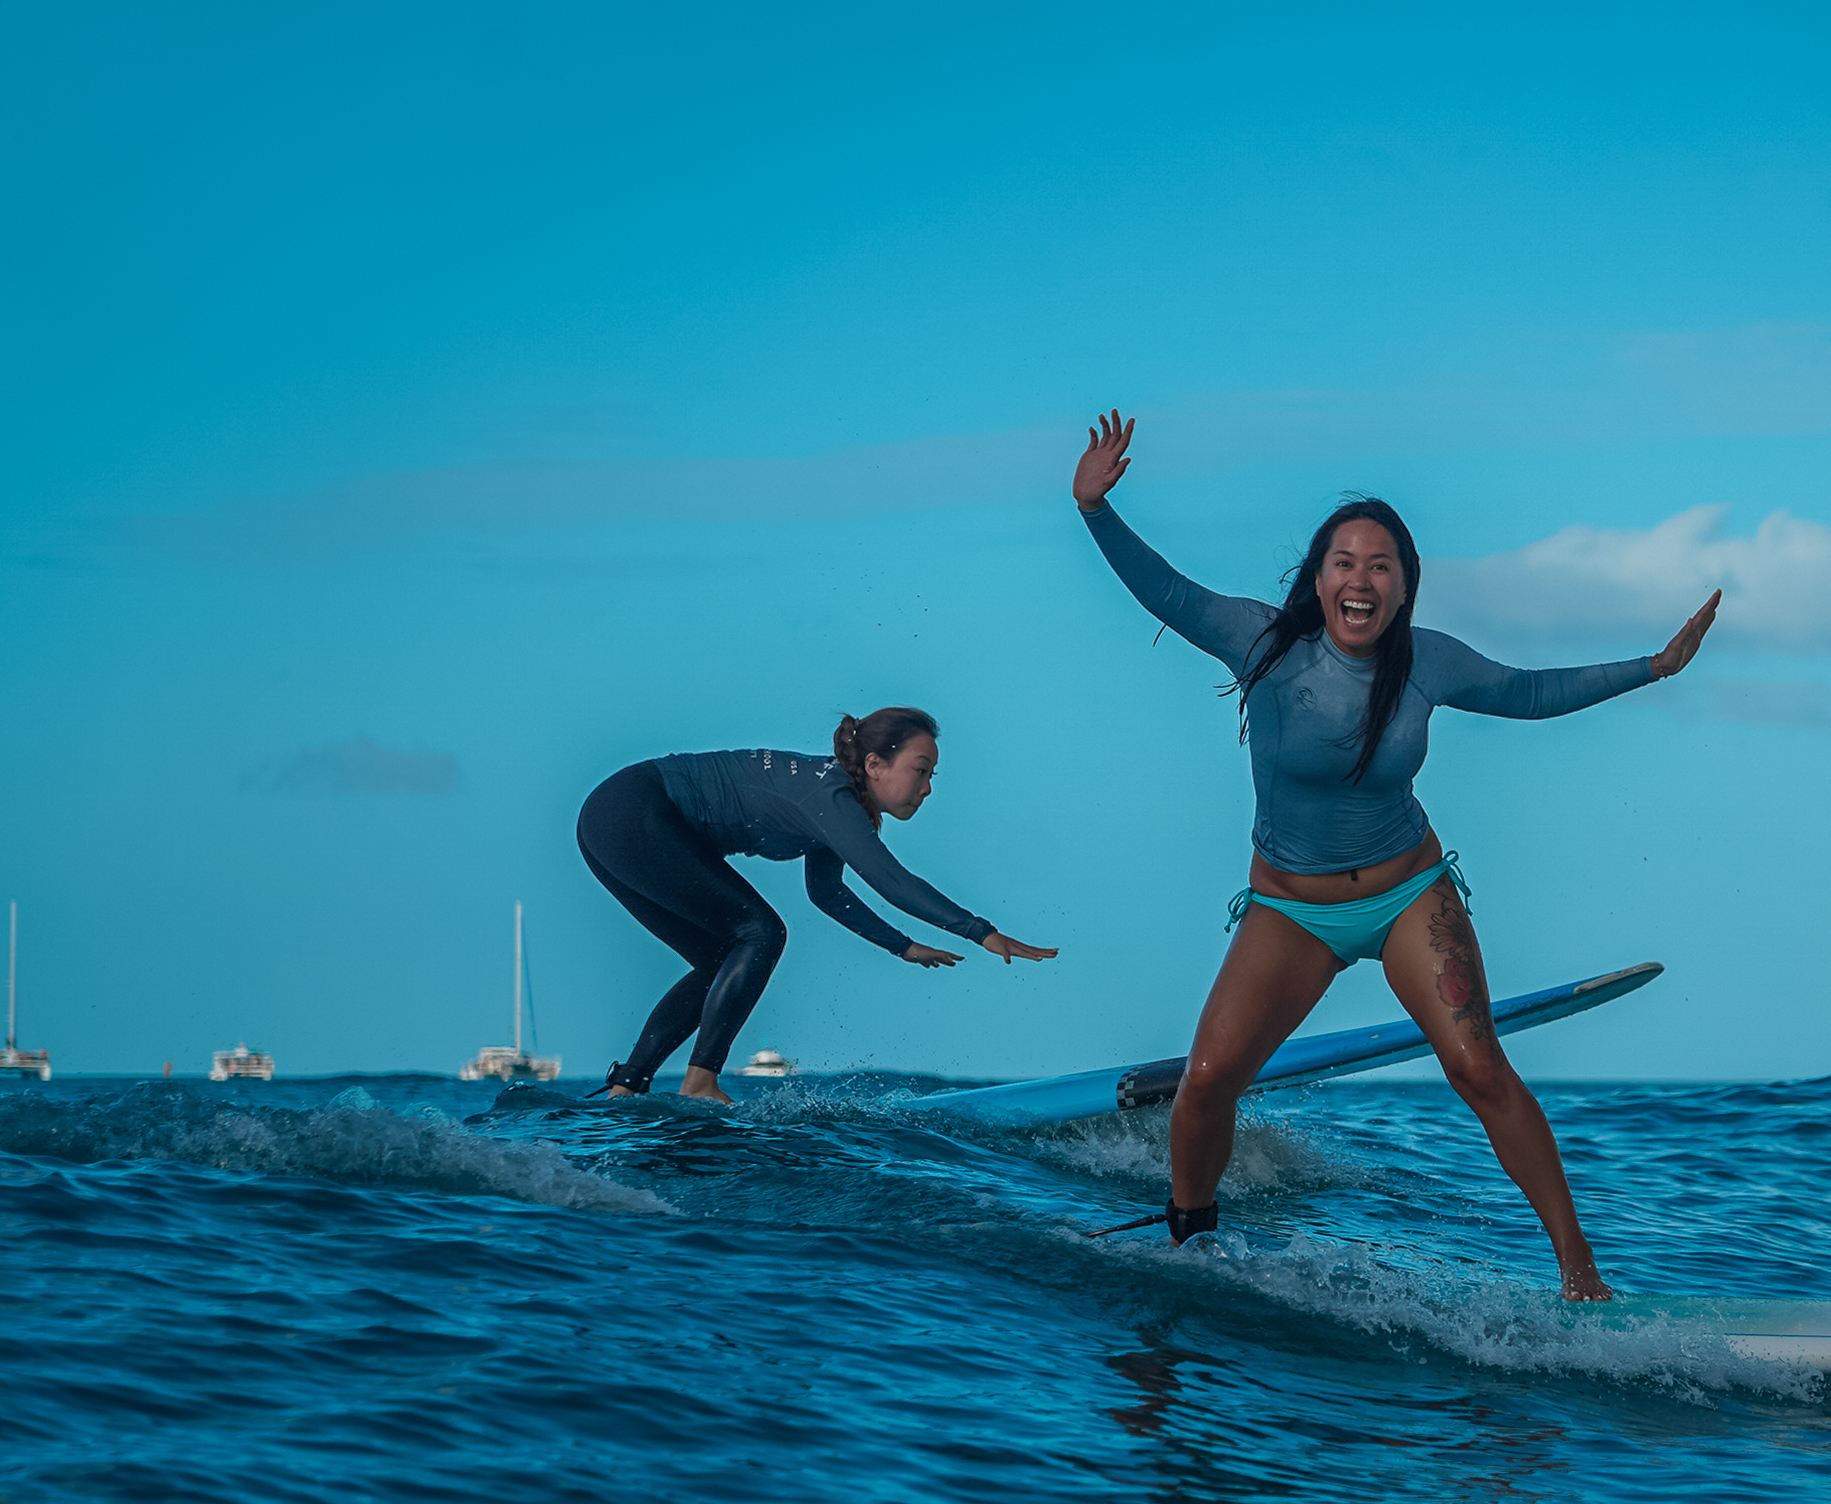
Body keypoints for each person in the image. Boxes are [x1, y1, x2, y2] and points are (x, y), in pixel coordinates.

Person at [1070, 411, 1719, 1299]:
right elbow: (1171, 594)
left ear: (1406, 586)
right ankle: (1190, 1237)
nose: (1362, 580)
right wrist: (1096, 511)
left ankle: (1581, 1274)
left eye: (1382, 566)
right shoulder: (1264, 644)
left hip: (1410, 893)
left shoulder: (1428, 664)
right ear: (1320, 576)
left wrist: (1654, 667)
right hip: (1289, 911)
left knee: (1477, 1067)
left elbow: (1528, 694)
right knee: (1209, 1079)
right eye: (1345, 563)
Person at [576, 709, 1055, 1104]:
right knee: (760, 933)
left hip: (612, 817)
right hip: (634, 811)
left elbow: (826, 893)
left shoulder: (832, 799)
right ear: (874, 765)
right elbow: (892, 880)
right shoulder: (831, 798)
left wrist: (902, 946)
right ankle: (700, 1082)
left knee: (723, 954)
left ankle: (626, 1086)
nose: (927, 787)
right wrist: (981, 931)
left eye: (932, 774)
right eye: (920, 770)